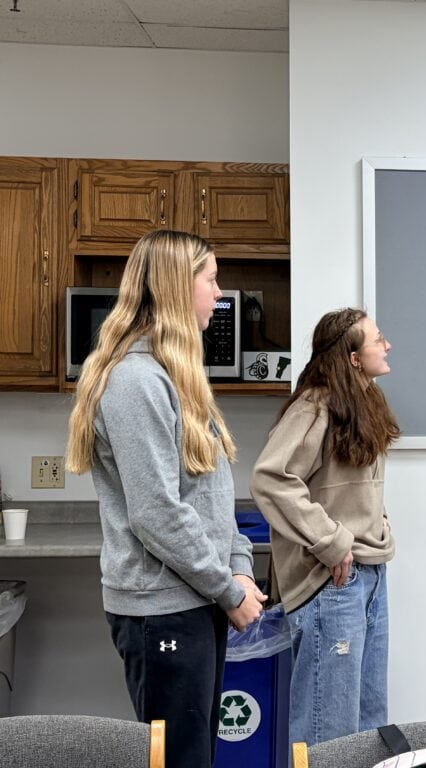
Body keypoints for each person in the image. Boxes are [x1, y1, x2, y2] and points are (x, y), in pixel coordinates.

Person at [66, 229, 266, 768]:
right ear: (179, 288)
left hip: (194, 600)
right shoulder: (136, 382)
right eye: (211, 279)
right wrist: (226, 586)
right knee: (180, 760)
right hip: (164, 611)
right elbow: (156, 513)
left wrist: (240, 568)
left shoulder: (177, 376)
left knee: (195, 754)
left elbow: (211, 495)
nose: (220, 294)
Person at [250, 308, 400, 747]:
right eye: (377, 339)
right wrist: (334, 543)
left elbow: (353, 485)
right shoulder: (315, 405)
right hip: (332, 583)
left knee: (371, 725)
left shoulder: (364, 400)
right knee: (329, 735)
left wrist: (379, 524)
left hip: (370, 574)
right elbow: (270, 478)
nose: (386, 345)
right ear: (353, 357)